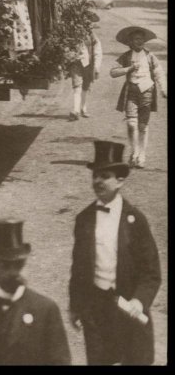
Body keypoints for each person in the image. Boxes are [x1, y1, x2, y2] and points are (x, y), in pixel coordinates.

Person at [69, 140, 161, 365]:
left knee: (134, 359)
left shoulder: (135, 220)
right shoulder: (84, 219)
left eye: (105, 175)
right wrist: (75, 306)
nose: (98, 181)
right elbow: (79, 268)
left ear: (120, 180)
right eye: (95, 175)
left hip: (129, 308)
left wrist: (139, 301)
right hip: (97, 311)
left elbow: (151, 271)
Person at [0, 219, 70, 365]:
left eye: (19, 264)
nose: (13, 272)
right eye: (5, 265)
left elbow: (60, 362)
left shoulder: (45, 310)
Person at [110, 26, 167, 168]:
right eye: (136, 39)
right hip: (131, 92)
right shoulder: (126, 56)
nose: (139, 41)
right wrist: (128, 69)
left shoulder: (150, 56)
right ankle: (134, 152)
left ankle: (142, 155)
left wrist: (164, 88)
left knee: (143, 125)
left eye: (142, 39)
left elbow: (159, 73)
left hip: (147, 92)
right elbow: (113, 72)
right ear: (130, 41)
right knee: (131, 123)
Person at [68, 11, 102, 121]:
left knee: (85, 87)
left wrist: (97, 66)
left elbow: (98, 51)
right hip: (76, 63)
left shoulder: (93, 37)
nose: (86, 24)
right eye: (83, 21)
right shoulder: (73, 34)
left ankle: (83, 107)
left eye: (88, 22)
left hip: (88, 64)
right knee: (77, 85)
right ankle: (76, 110)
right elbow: (67, 47)